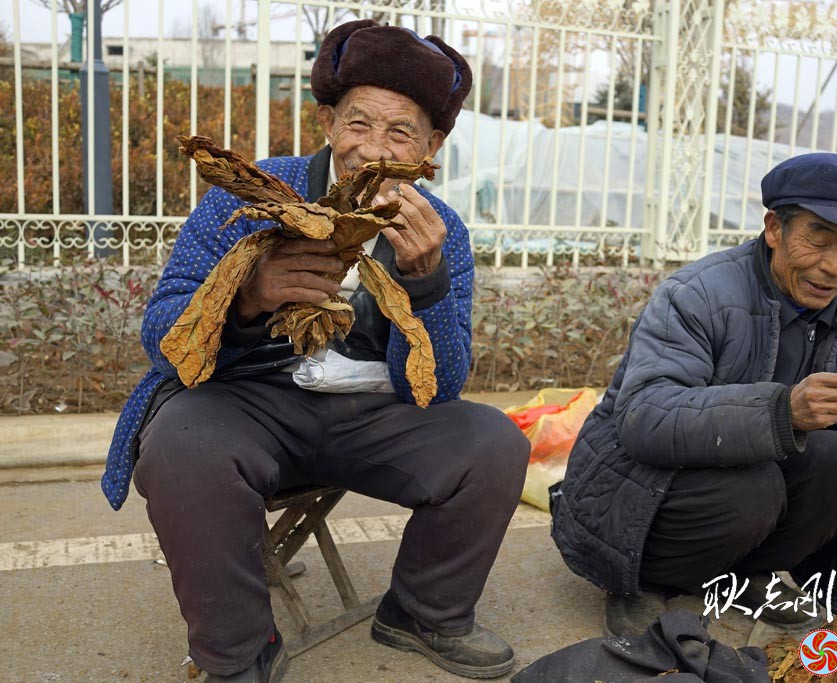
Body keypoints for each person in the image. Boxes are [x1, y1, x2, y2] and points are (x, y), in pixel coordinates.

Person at [101, 20, 530, 682]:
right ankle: (241, 651)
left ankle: (423, 611)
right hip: (251, 405)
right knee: (179, 442)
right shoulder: (253, 192)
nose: (373, 149)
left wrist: (426, 284)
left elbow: (438, 389)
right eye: (360, 124)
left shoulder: (441, 232)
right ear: (328, 122)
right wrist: (248, 294)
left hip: (374, 416)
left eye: (401, 132)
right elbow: (161, 332)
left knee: (495, 443)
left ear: (431, 147)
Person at [549, 153, 837, 637]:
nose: (836, 268)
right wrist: (784, 412)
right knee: (754, 489)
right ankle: (646, 579)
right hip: (641, 482)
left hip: (742, 486)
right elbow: (644, 418)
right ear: (774, 227)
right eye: (818, 237)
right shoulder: (697, 293)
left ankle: (743, 573)